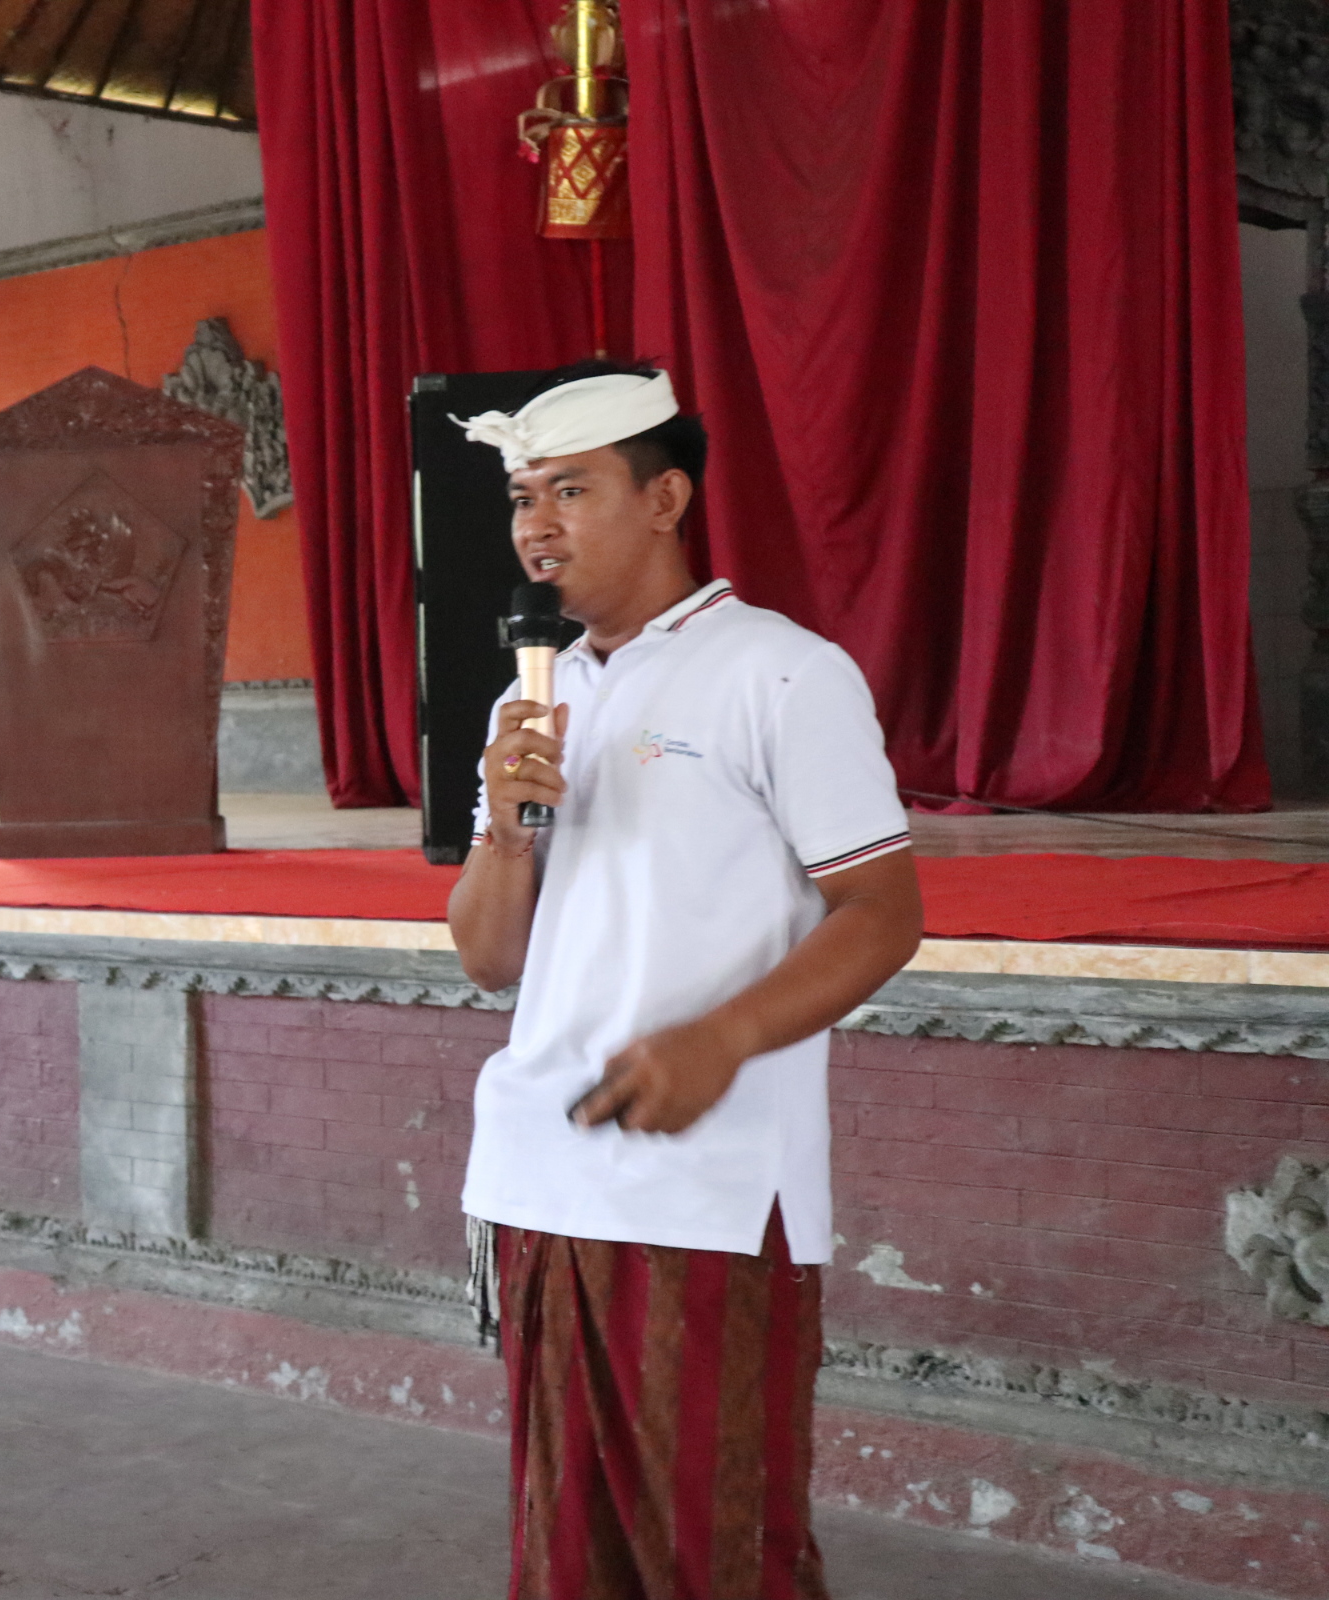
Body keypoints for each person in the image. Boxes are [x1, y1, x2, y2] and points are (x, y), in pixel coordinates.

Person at [448, 362, 923, 1600]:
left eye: (570, 490)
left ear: (666, 500)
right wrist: (506, 825)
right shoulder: (532, 696)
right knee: (568, 1548)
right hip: (543, 1174)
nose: (535, 524)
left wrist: (718, 1040)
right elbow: (493, 956)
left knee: (717, 1547)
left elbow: (882, 914)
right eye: (520, 497)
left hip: (704, 1190)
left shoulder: (780, 673)